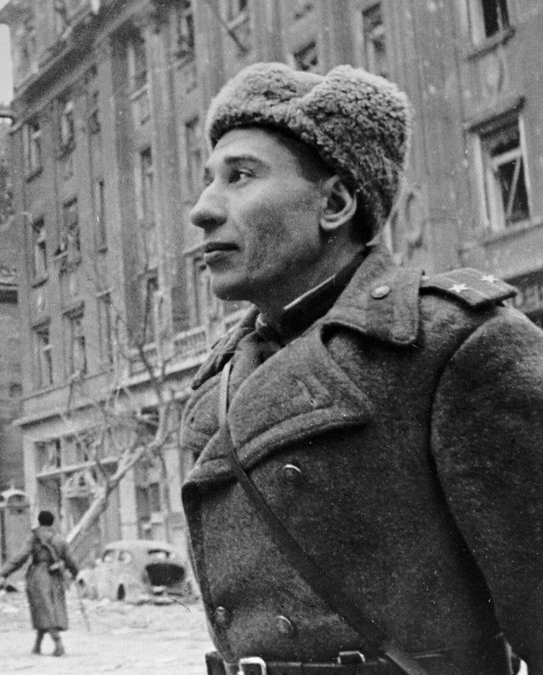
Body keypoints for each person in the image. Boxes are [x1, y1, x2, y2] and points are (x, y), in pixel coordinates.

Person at [182, 61, 543, 674]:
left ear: (336, 203)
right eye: (208, 179)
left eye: (240, 176)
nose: (202, 210)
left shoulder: (453, 346)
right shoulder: (218, 381)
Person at [0, 510, 79, 657]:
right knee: (49, 609)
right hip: (56, 578)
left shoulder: (34, 537)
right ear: (52, 522)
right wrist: (76, 573)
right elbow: (71, 560)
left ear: (39, 521)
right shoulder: (60, 539)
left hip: (39, 577)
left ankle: (58, 644)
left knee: (43, 610)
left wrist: (4, 572)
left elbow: (21, 557)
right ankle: (37, 646)